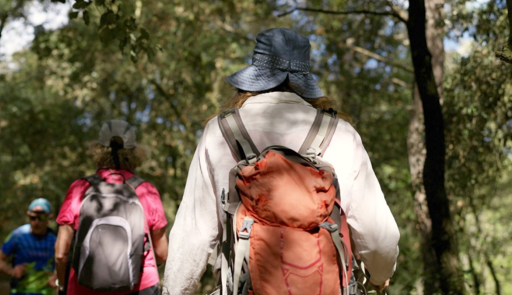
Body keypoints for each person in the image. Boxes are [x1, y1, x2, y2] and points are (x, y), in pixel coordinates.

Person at [162, 28, 400, 294]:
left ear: (254, 76)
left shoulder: (221, 132)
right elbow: (380, 238)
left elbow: (192, 238)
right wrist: (380, 274)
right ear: (304, 79)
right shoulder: (342, 134)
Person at [55, 120, 169, 295]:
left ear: (98, 149)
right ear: (135, 152)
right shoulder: (146, 190)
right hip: (140, 286)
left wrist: (62, 284)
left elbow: (61, 253)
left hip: (82, 287)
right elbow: (161, 253)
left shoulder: (80, 187)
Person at [0, 198, 58, 295]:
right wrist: (11, 271)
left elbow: (65, 264)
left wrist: (58, 278)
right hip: (20, 291)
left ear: (49, 218)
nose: (36, 222)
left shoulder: (55, 239)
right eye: (33, 218)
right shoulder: (18, 235)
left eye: (41, 218)